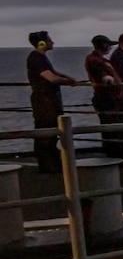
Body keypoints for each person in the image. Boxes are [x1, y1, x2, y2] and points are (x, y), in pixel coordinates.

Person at [26, 30, 78, 173]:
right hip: (44, 102)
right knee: (46, 133)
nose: (52, 42)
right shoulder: (36, 59)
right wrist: (68, 81)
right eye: (49, 40)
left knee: (51, 132)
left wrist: (68, 77)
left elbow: (53, 72)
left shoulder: (41, 58)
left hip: (50, 101)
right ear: (42, 43)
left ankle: (52, 162)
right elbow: (51, 78)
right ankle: (47, 165)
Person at [84, 34, 123, 159]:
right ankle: (114, 156)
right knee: (111, 129)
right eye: (109, 45)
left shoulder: (100, 60)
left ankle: (116, 155)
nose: (110, 48)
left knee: (114, 128)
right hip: (106, 98)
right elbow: (103, 78)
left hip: (111, 98)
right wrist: (110, 79)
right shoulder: (95, 61)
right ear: (103, 45)